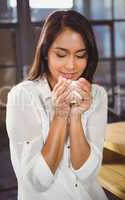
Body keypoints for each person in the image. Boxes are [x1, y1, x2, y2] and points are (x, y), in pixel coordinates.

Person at [6, 10, 108, 200]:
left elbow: (87, 173)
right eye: (61, 55)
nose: (71, 66)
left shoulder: (97, 95)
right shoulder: (22, 96)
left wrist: (76, 116)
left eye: (80, 55)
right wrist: (60, 115)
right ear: (45, 53)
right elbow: (38, 180)